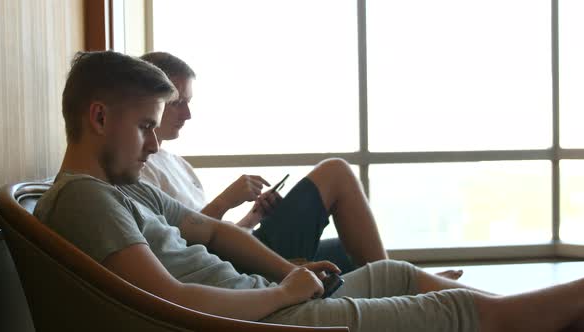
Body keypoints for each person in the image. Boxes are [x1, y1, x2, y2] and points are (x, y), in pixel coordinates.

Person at [35, 50, 584, 332]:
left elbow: (216, 230)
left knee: (396, 275)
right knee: (460, 310)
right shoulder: (85, 198)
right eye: (146, 126)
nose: (155, 142)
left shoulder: (124, 191)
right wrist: (281, 295)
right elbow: (169, 300)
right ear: (100, 117)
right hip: (264, 320)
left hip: (265, 299)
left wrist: (283, 273)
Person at [137, 51, 461, 278]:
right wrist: (224, 201)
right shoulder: (139, 167)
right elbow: (175, 246)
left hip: (236, 251)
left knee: (349, 250)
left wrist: (253, 216)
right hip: (231, 267)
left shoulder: (179, 164)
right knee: (335, 172)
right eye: (178, 103)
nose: (188, 114)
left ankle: (407, 280)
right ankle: (408, 288)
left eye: (188, 103)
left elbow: (215, 236)